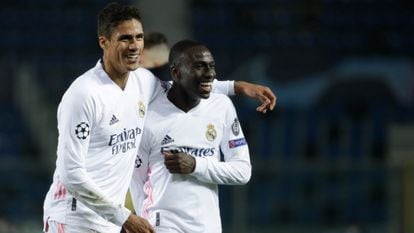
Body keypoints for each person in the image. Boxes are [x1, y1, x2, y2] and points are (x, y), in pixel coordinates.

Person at [42, 2, 276, 233]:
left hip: (108, 221)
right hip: (73, 218)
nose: (135, 46)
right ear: (104, 41)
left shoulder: (142, 82)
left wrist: (237, 87)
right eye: (125, 38)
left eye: (139, 37)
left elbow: (184, 84)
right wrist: (125, 217)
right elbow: (70, 174)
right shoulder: (84, 94)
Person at [129, 40, 252, 233]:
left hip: (207, 227)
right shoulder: (148, 114)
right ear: (176, 73)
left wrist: (196, 165)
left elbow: (243, 171)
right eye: (199, 67)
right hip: (161, 225)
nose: (210, 74)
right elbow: (136, 178)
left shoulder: (222, 107)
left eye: (211, 66)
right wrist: (144, 221)